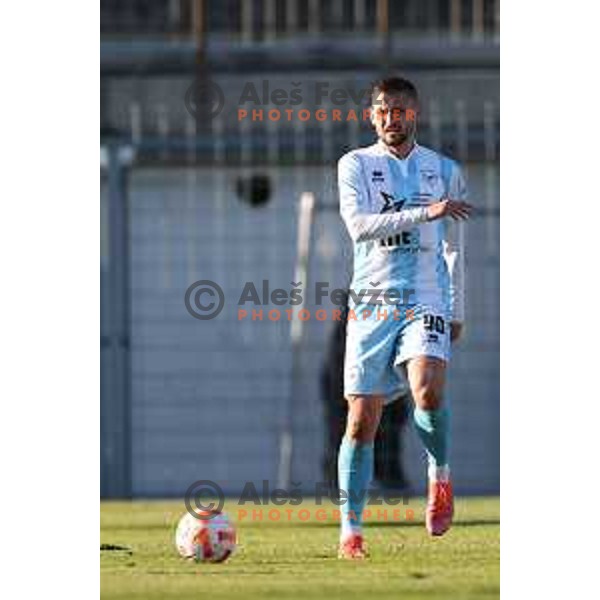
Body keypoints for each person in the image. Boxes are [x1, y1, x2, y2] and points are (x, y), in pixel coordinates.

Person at [336, 76, 472, 559]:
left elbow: (455, 246)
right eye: (382, 110)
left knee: (428, 388)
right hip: (372, 302)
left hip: (426, 294)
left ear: (415, 115)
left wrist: (456, 306)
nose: (392, 118)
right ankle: (351, 531)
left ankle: (440, 476)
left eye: (400, 111)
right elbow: (359, 227)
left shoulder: (444, 169)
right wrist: (424, 212)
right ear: (371, 116)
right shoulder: (355, 165)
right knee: (361, 418)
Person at [320, 293, 411, 494]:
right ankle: (340, 487)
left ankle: (391, 481)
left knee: (389, 430)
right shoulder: (348, 325)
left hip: (383, 396)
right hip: (346, 393)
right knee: (345, 429)